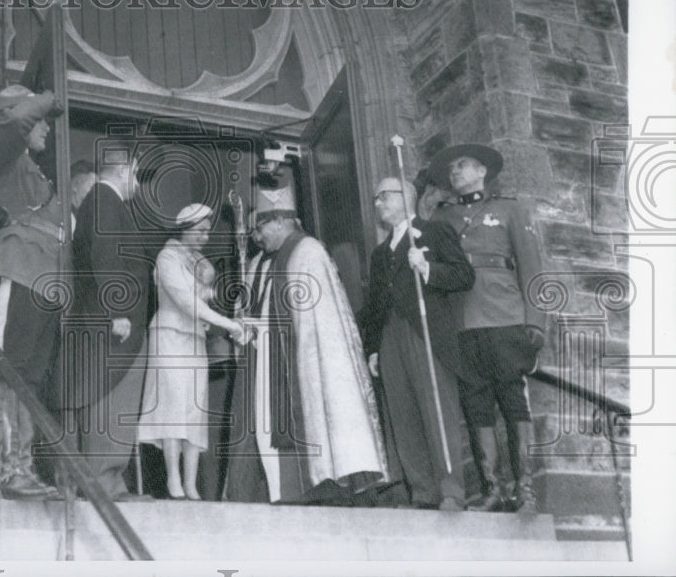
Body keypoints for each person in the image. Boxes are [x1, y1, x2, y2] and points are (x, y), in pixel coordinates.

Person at [225, 181, 389, 504]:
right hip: (266, 360)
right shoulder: (261, 262)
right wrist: (242, 322)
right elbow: (257, 307)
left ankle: (312, 488)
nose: (259, 236)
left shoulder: (308, 251)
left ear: (282, 221)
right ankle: (276, 493)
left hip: (299, 361)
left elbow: (320, 321)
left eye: (262, 227)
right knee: (262, 431)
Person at [428, 143, 546, 514]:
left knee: (513, 402)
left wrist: (535, 321)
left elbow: (531, 267)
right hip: (463, 321)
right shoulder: (442, 219)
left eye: (462, 166)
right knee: (476, 406)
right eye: (451, 170)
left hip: (504, 315)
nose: (455, 173)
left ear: (482, 172)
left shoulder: (509, 209)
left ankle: (525, 490)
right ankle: (493, 490)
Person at [357, 177, 476, 511]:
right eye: (376, 198)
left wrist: (427, 268)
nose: (377, 202)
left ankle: (451, 490)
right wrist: (373, 347)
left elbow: (464, 276)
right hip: (390, 335)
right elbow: (375, 304)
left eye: (384, 196)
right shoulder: (380, 254)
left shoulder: (434, 232)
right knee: (403, 414)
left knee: (437, 410)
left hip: (426, 332)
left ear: (405, 197)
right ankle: (423, 492)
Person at [0, 84, 65, 499]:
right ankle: (9, 470)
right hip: (17, 268)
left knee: (29, 377)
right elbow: (11, 122)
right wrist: (49, 97)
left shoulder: (29, 166)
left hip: (43, 280)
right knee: (9, 371)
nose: (45, 128)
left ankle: (22, 468)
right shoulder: (3, 154)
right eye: (40, 121)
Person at [62, 144, 153, 501]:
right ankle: (106, 483)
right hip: (114, 327)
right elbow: (104, 253)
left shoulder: (105, 201)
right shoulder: (104, 199)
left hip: (116, 325)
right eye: (137, 174)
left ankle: (108, 480)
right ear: (125, 168)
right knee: (111, 402)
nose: (138, 183)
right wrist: (117, 312)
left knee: (114, 402)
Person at [138, 203, 247, 500]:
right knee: (172, 407)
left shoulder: (197, 261)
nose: (205, 236)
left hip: (194, 339)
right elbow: (187, 302)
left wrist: (215, 286)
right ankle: (173, 480)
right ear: (183, 230)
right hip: (170, 336)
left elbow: (204, 293)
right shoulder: (167, 257)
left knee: (194, 410)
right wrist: (229, 324)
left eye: (207, 231)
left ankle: (190, 484)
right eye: (199, 231)